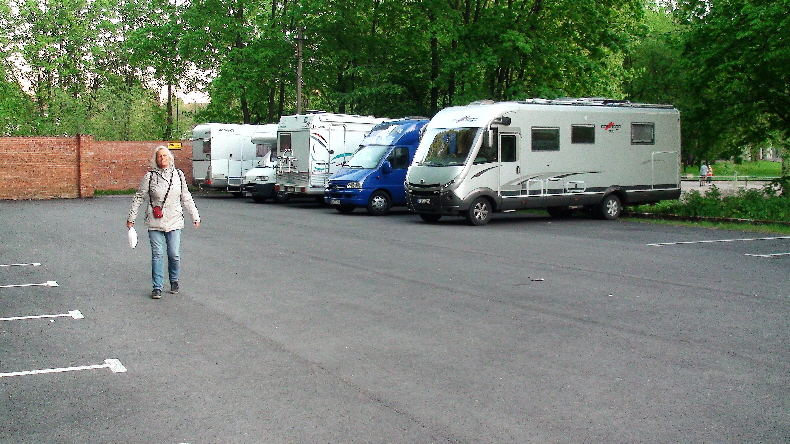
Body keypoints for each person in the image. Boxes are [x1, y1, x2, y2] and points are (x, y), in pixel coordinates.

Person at [127, 146, 200, 299]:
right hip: (155, 221)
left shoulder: (178, 175)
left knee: (174, 254)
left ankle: (174, 280)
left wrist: (195, 216)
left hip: (174, 220)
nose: (162, 159)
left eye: (165, 156)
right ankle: (157, 287)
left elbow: (185, 196)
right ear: (156, 159)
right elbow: (139, 197)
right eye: (159, 156)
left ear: (170, 157)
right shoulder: (150, 176)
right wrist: (131, 218)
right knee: (157, 254)